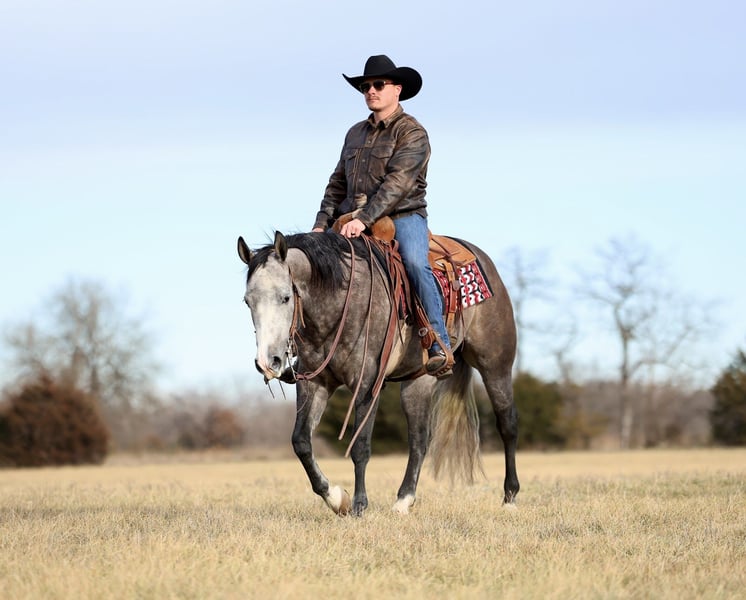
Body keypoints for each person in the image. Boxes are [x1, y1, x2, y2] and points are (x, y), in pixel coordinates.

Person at [312, 55, 453, 377]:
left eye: (378, 84)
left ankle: (438, 343)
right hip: (350, 219)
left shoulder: (412, 132)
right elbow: (337, 183)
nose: (371, 91)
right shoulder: (354, 133)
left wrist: (364, 219)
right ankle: (309, 351)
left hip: (402, 215)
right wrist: (320, 225)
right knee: (313, 267)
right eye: (365, 87)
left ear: (397, 89)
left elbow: (397, 184)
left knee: (415, 263)